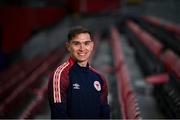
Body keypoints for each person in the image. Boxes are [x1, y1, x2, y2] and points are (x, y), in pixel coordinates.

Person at [48, 26, 110, 119]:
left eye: (86, 43)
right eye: (76, 44)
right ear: (68, 47)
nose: (82, 48)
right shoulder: (60, 75)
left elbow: (105, 114)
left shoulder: (99, 78)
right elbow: (59, 115)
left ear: (92, 46)